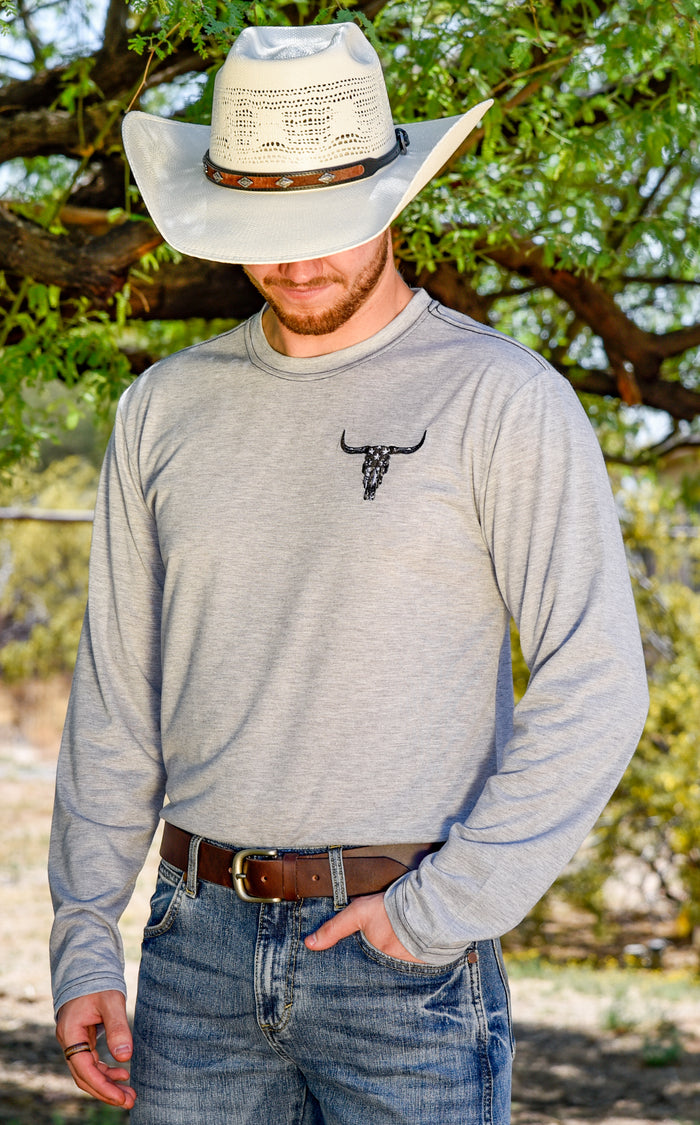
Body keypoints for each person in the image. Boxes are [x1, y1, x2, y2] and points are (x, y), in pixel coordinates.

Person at [49, 22, 649, 1125]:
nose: (295, 260)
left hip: (402, 963)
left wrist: (436, 914)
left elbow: (596, 683)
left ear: (391, 196)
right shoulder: (164, 410)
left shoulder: (500, 400)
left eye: (326, 223)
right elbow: (115, 702)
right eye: (261, 228)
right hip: (193, 960)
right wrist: (85, 938)